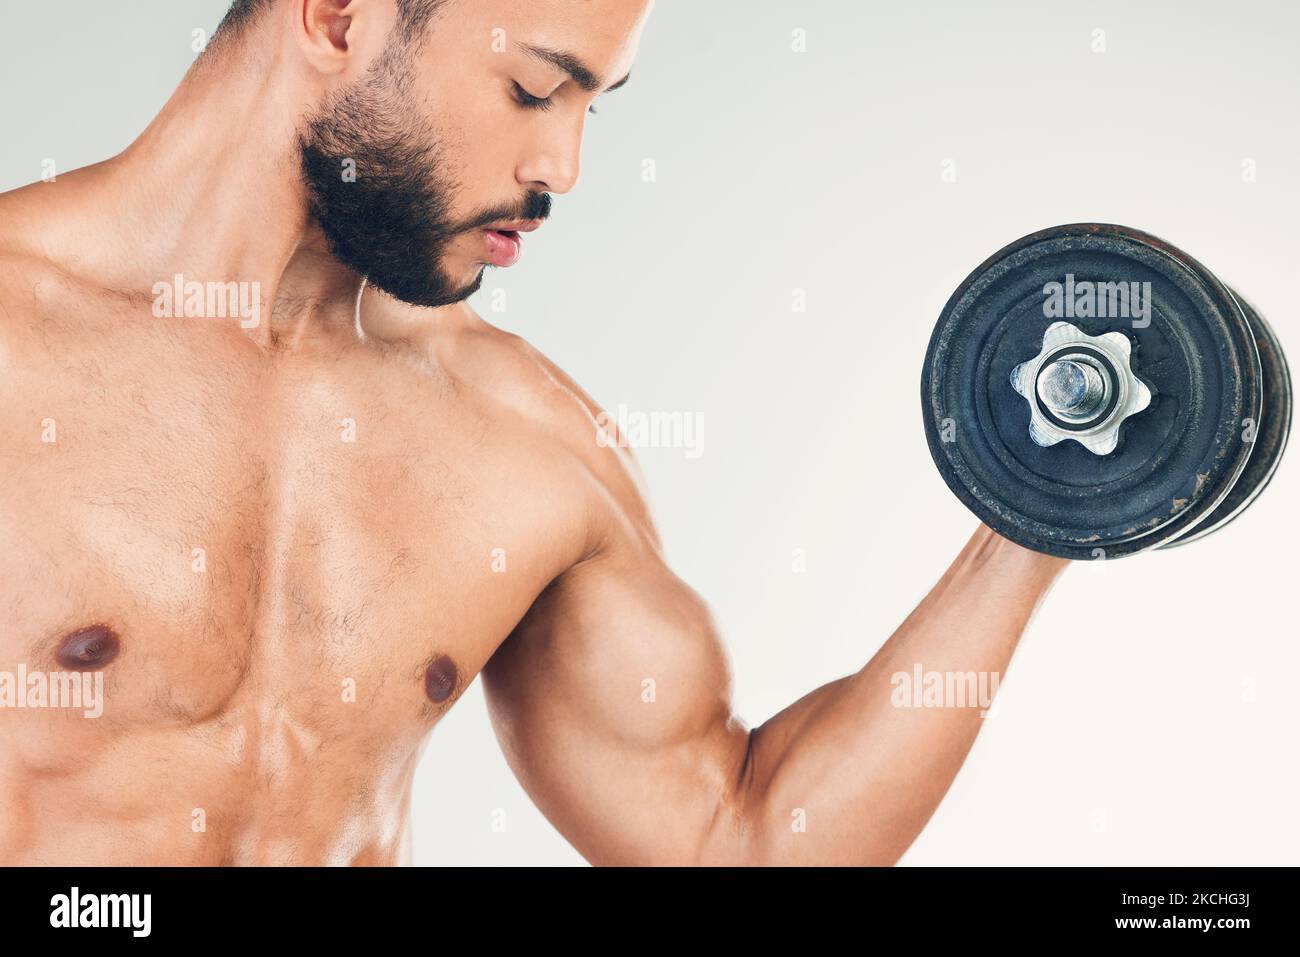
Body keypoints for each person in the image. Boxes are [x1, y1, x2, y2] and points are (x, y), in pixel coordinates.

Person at [0, 0, 1067, 866]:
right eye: (533, 90)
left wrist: (1039, 515)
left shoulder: (523, 442)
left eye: (588, 110)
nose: (561, 168)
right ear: (334, 21)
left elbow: (733, 846)